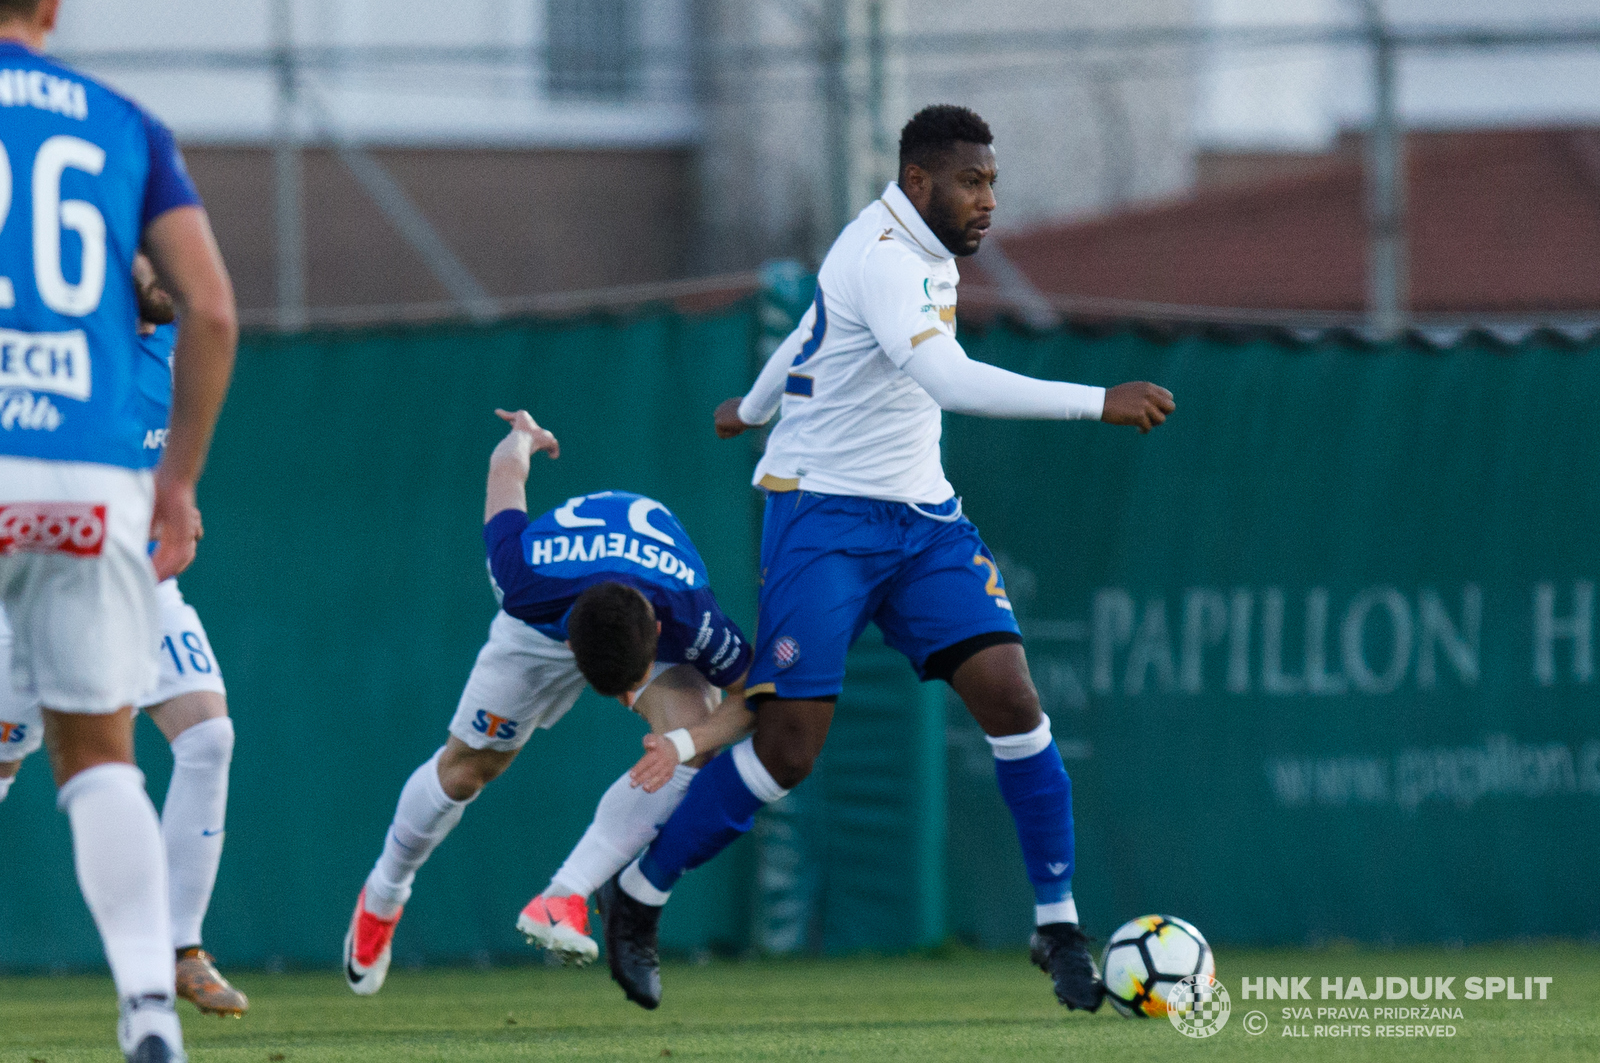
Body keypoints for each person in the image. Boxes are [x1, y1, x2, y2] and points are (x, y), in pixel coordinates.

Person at [598, 104, 1175, 1012]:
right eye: (973, 182)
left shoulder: (915, 249)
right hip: (822, 518)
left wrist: (749, 406)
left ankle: (1058, 923)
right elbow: (947, 379)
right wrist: (1097, 398)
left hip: (922, 523)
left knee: (1013, 697)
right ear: (919, 183)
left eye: (993, 182)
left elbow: (808, 334)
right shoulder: (883, 255)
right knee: (789, 750)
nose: (990, 200)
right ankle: (638, 894)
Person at [0, 0, 237, 1059]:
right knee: (99, 761)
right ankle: (147, 1009)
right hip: (90, 482)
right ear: (54, 6)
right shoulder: (121, 121)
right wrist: (176, 483)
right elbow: (217, 310)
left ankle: (173, 964)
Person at [344, 408, 754, 995]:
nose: (620, 700)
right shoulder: (522, 574)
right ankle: (384, 892)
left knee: (695, 740)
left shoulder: (689, 612)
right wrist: (522, 437)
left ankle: (563, 897)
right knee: (464, 773)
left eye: (626, 687)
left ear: (662, 639)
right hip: (542, 627)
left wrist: (682, 742)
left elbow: (754, 696)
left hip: (637, 600)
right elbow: (505, 475)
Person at [0, 259, 247, 1018]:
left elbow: (165, 452)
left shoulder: (175, 339)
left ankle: (181, 950)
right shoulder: (62, 344)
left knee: (209, 736)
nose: (166, 269)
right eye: (150, 255)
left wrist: (178, 496)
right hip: (39, 579)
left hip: (141, 581)